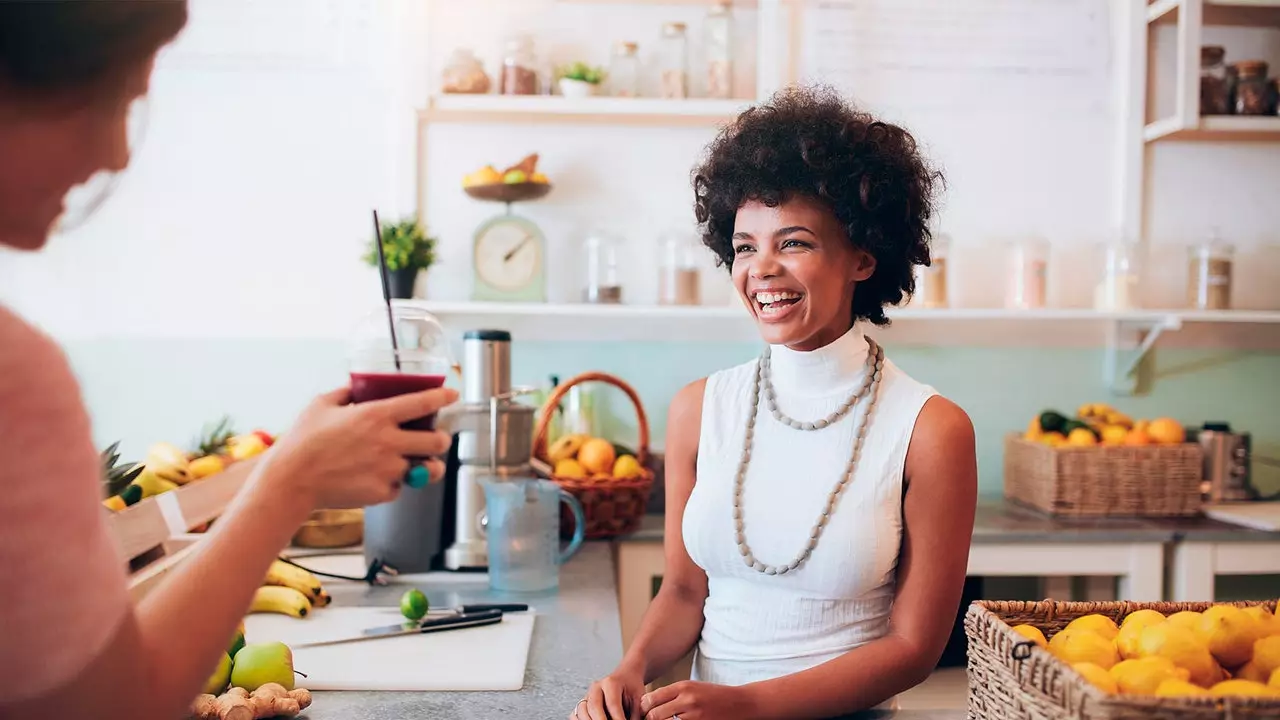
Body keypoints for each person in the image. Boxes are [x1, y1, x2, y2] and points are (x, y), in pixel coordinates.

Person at [0, 3, 456, 718]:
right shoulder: (16, 378)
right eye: (115, 97)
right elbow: (117, 703)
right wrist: (288, 482)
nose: (119, 153)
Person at [575, 86, 978, 720]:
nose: (761, 268)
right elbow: (684, 592)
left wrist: (749, 704)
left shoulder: (930, 429)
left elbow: (914, 648)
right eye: (743, 246)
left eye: (793, 243)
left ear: (864, 258)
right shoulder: (698, 409)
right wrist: (630, 669)